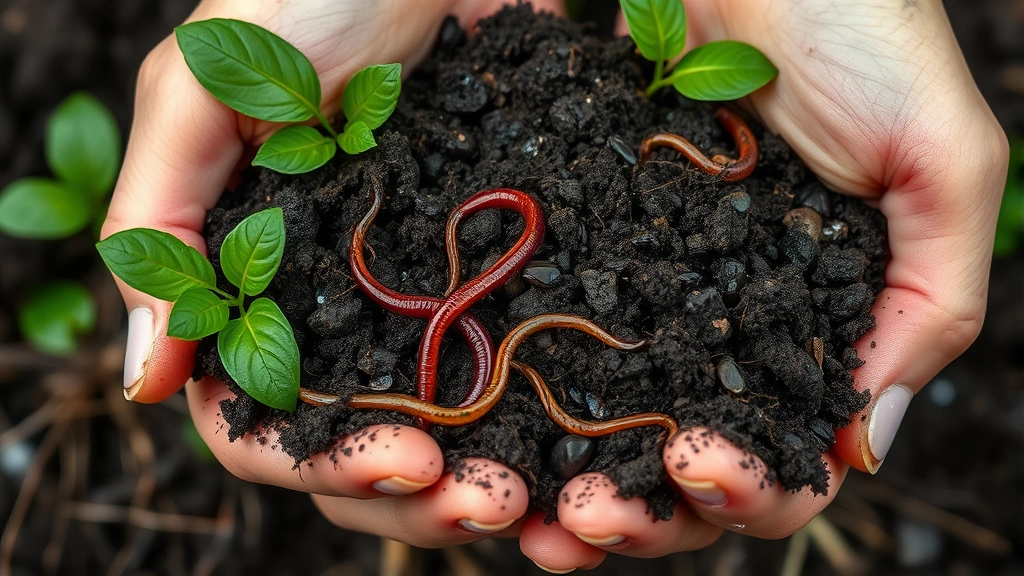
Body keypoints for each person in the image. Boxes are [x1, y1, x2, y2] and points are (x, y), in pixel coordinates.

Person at [100, 0, 1008, 571]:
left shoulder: (701, 147)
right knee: (451, 327)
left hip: (507, 295)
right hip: (472, 309)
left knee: (462, 335)